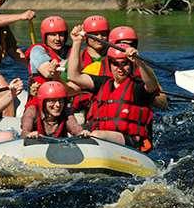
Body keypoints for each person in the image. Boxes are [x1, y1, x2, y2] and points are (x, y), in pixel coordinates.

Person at [67, 25, 160, 153]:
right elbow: (73, 76)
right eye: (115, 64)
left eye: (124, 64)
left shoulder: (137, 87)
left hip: (132, 141)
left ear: (130, 64)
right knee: (83, 133)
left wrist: (139, 61)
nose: (120, 68)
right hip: (103, 136)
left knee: (95, 135)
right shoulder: (102, 83)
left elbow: (152, 86)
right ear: (110, 64)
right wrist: (77, 42)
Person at [20, 81, 89, 139]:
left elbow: (75, 127)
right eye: (52, 101)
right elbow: (24, 132)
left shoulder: (66, 112)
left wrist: (81, 133)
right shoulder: (32, 111)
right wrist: (29, 134)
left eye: (60, 101)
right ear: (43, 103)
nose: (58, 105)